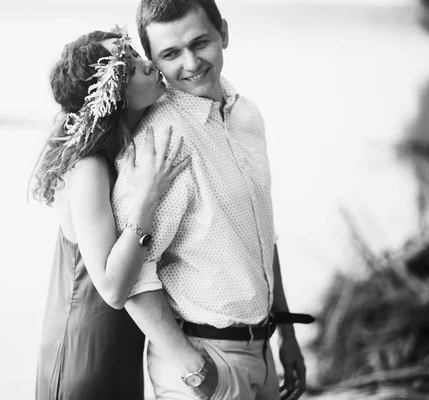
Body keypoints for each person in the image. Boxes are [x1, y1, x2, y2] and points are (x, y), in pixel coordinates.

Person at [112, 1, 309, 399]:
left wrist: (286, 333)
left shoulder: (246, 115)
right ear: (154, 62)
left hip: (262, 349)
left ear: (223, 33)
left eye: (199, 42)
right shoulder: (159, 144)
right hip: (203, 362)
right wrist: (197, 371)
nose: (190, 62)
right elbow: (133, 275)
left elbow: (263, 237)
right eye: (170, 54)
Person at [32, 28, 190, 400]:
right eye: (130, 66)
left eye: (135, 54)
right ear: (111, 97)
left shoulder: (118, 155)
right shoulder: (89, 167)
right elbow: (112, 288)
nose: (148, 64)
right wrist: (148, 198)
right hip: (85, 358)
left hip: (116, 352)